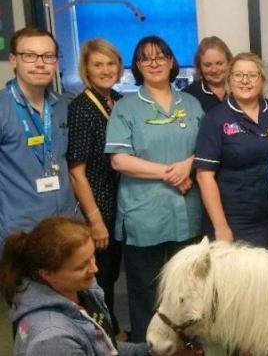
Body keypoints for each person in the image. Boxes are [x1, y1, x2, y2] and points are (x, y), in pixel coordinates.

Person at [104, 36, 203, 342]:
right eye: (146, 59)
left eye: (161, 56)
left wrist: (189, 164)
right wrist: (171, 173)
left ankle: (186, 347)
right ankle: (145, 347)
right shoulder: (127, 108)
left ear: (172, 62)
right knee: (145, 291)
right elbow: (119, 160)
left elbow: (209, 147)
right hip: (144, 214)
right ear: (137, 66)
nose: (154, 63)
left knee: (188, 290)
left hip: (186, 211)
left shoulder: (191, 102)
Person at [0, 217, 148, 355]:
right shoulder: (52, 339)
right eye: (81, 266)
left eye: (92, 256)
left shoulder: (80, 289)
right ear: (47, 274)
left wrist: (149, 351)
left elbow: (105, 345)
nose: (94, 269)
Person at [195, 53, 268, 252]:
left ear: (262, 80)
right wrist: (221, 228)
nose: (245, 81)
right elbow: (204, 177)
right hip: (235, 221)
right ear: (229, 81)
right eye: (238, 75)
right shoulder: (215, 119)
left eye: (252, 75)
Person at [67, 38, 125, 340]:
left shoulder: (117, 99)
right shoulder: (81, 108)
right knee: (97, 279)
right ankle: (102, 338)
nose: (105, 70)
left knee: (111, 274)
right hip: (98, 205)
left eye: (110, 63)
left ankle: (111, 330)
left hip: (118, 201)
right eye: (98, 64)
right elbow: (77, 172)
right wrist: (95, 220)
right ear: (87, 71)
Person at [0, 27, 77, 251]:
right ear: (14, 59)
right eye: (30, 56)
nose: (40, 63)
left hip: (65, 227)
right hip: (20, 233)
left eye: (48, 56)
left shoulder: (62, 105)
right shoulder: (3, 108)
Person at [183, 36, 233, 113]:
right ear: (199, 66)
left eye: (219, 63)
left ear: (229, 62)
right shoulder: (188, 96)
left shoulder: (241, 88)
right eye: (208, 65)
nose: (214, 70)